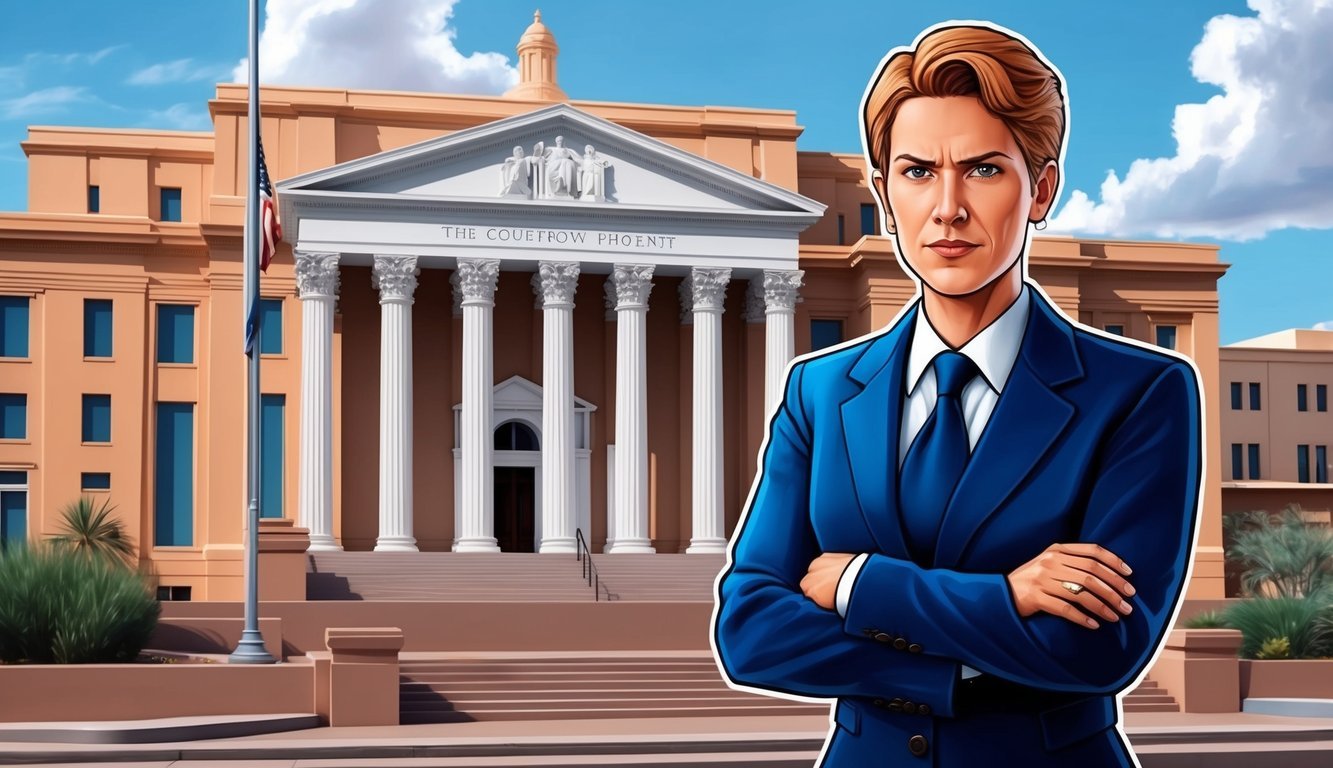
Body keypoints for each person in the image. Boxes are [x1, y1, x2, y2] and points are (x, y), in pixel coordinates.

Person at [713, 22, 1202, 768]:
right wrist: (999, 611)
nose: (946, 208)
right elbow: (749, 629)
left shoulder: (1138, 394)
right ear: (882, 194)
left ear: (1038, 190)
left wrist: (857, 583)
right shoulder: (818, 391)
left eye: (980, 170)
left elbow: (1097, 648)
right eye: (915, 173)